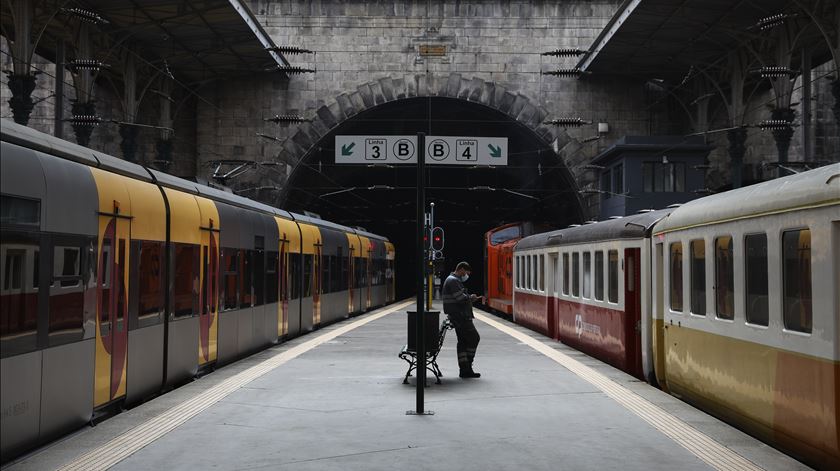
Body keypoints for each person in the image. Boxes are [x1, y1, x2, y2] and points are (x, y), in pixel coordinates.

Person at [442, 261, 482, 378]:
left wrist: (469, 298)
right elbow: (460, 298)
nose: (467, 276)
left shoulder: (452, 280)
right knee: (474, 338)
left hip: (457, 316)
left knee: (463, 342)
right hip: (461, 317)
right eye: (467, 273)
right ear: (462, 269)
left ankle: (465, 369)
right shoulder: (453, 280)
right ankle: (467, 366)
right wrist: (471, 298)